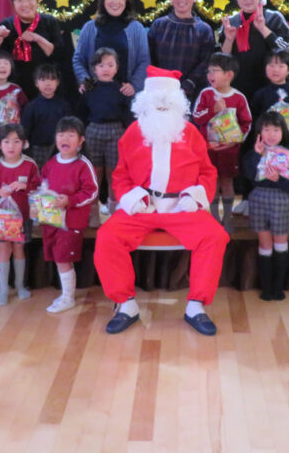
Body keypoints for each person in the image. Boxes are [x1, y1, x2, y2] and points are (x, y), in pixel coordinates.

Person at [95, 67, 226, 337]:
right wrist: (133, 198)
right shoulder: (133, 132)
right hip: (143, 207)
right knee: (107, 237)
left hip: (182, 207)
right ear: (146, 101)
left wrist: (194, 196)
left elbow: (207, 172)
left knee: (214, 236)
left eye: (168, 101)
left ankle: (196, 306)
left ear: (178, 102)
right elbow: (120, 175)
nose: (163, 106)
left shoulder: (191, 133)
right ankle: (126, 304)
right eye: (158, 101)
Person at [40, 117, 99, 314]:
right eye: (61, 134)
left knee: (63, 258)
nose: (65, 139)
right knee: (58, 257)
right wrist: (38, 203)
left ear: (81, 140)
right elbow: (43, 186)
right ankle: (66, 295)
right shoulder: (50, 163)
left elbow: (91, 192)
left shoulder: (83, 165)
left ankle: (68, 298)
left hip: (72, 222)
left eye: (71, 135)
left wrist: (70, 201)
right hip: (51, 220)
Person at [243, 112, 289, 302]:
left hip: (282, 199)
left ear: (283, 132)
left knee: (280, 242)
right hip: (259, 198)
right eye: (266, 129)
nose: (271, 134)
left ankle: (278, 286)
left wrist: (279, 180)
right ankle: (267, 287)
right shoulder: (254, 152)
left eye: (276, 129)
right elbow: (248, 176)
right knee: (264, 243)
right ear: (259, 132)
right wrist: (256, 155)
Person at [0, 123, 41, 305]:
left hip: (22, 217)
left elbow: (40, 189)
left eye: (16, 141)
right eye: (6, 142)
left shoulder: (30, 165)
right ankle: (3, 290)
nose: (11, 146)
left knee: (19, 249)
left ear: (24, 143)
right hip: (2, 219)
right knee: (3, 250)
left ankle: (20, 286)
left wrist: (26, 187)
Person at [192, 52, 252, 225]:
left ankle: (227, 217)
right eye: (209, 71)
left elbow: (246, 123)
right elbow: (196, 117)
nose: (210, 75)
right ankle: (213, 217)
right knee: (212, 182)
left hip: (229, 151)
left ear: (229, 75)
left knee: (227, 181)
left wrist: (235, 140)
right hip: (208, 150)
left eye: (215, 71)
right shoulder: (205, 94)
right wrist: (213, 110)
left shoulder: (238, 98)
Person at [0, 0, 64, 99]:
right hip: (14, 89)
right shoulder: (6, 24)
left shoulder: (49, 21)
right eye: (19, 0)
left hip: (45, 89)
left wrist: (37, 38)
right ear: (13, 3)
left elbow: (58, 54)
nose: (25, 4)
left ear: (37, 0)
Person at [218, 0, 289, 100]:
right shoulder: (231, 21)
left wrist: (263, 29)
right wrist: (229, 40)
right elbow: (222, 61)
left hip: (270, 88)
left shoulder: (273, 17)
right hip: (237, 87)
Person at [80, 47, 133, 219]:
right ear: (94, 68)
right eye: (101, 65)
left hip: (116, 131)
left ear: (117, 68)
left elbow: (128, 114)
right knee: (95, 171)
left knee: (114, 171)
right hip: (93, 130)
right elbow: (82, 112)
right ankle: (93, 208)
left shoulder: (122, 89)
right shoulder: (88, 88)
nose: (106, 69)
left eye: (110, 65)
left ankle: (113, 206)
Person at [73, 0, 150, 95]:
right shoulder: (89, 27)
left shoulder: (137, 28)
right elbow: (78, 59)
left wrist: (134, 85)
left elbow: (144, 61)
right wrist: (85, 81)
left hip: (126, 97)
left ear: (126, 0)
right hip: (95, 95)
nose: (116, 1)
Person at [147, 0, 217, 101]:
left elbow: (205, 63)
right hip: (160, 91)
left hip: (192, 94)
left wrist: (186, 86)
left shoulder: (204, 29)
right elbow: (149, 58)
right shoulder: (158, 25)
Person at [250, 51, 289, 159]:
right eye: (271, 65)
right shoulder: (260, 94)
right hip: (265, 145)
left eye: (281, 66)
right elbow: (254, 119)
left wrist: (288, 133)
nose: (275, 70)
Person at [21, 63, 72, 169]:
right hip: (37, 148)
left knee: (58, 173)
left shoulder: (63, 105)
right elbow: (25, 129)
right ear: (36, 83)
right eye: (43, 80)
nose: (48, 83)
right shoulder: (32, 106)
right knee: (38, 174)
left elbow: (69, 127)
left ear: (57, 82)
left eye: (52, 79)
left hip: (59, 147)